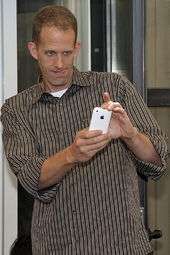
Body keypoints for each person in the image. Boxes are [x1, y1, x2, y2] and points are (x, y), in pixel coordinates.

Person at [1, 5, 167, 255]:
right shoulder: (17, 109)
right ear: (33, 50)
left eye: (67, 53)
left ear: (77, 48)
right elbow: (30, 177)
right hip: (58, 246)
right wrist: (71, 155)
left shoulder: (114, 86)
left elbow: (158, 159)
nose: (59, 63)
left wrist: (131, 136)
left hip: (124, 246)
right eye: (50, 53)